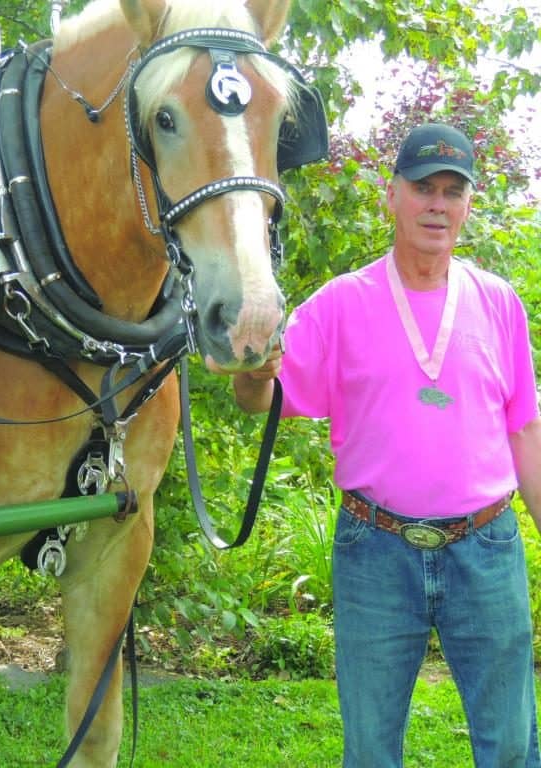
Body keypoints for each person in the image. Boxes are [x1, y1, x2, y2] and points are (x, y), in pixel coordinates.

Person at [232, 122, 541, 766]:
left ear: (467, 206)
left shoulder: (498, 303)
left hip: (486, 548)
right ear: (391, 195)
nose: (437, 204)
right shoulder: (341, 303)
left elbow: (524, 429)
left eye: (452, 191)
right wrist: (251, 367)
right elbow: (261, 399)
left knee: (510, 747)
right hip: (375, 551)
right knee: (370, 752)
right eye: (423, 187)